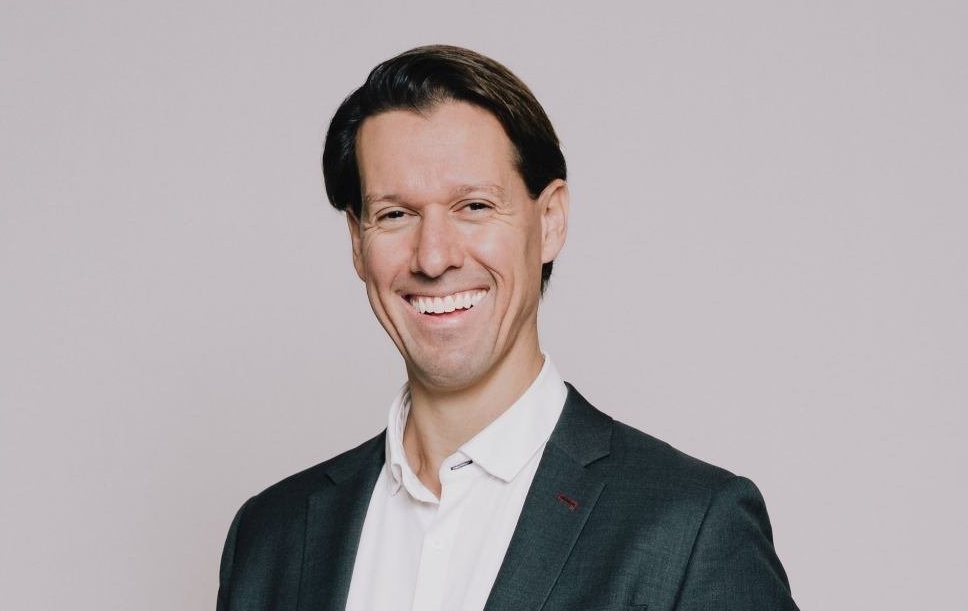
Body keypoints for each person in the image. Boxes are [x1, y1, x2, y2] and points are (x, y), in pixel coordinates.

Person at [216, 45, 798, 610]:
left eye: (474, 206)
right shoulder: (269, 537)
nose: (433, 257)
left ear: (550, 222)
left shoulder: (691, 529)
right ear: (356, 241)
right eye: (395, 214)